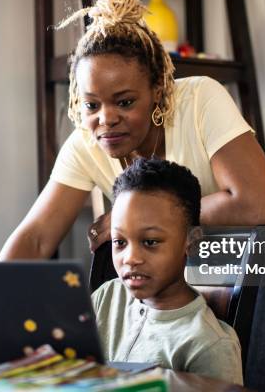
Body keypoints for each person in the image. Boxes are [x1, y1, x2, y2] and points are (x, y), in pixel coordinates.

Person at [0, 0, 265, 390]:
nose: (106, 119)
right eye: (91, 105)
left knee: (234, 374)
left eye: (124, 102)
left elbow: (255, 204)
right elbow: (36, 238)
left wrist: (140, 219)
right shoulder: (86, 143)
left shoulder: (200, 100)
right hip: (177, 246)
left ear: (157, 90)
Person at [92, 158, 243, 384]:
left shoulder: (209, 345)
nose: (130, 258)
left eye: (150, 242)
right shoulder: (106, 297)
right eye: (119, 242)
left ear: (191, 243)